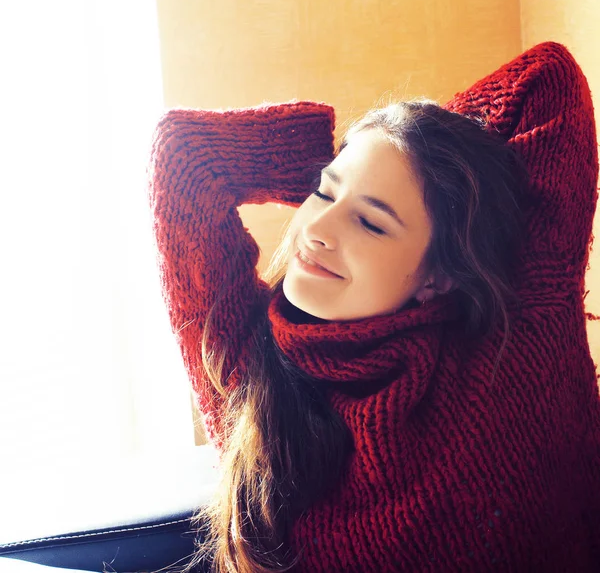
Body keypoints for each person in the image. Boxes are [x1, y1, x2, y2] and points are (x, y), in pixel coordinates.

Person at [148, 41, 600, 573]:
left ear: (442, 273)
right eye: (321, 192)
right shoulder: (243, 361)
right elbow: (183, 154)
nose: (315, 230)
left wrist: (420, 151)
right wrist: (365, 148)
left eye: (371, 222)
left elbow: (549, 78)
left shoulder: (517, 338)